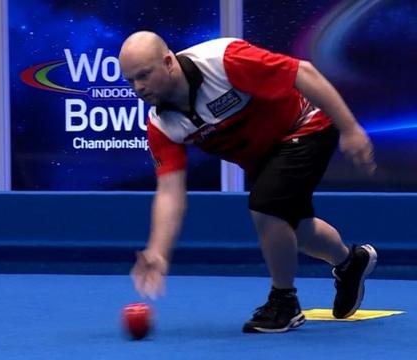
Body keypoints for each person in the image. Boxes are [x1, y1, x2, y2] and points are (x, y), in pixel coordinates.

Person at [118, 31, 378, 333]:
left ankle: (284, 302)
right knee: (295, 228)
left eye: (144, 75)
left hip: (307, 124)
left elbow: (302, 72)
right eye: (130, 81)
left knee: (266, 207)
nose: (138, 87)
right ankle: (350, 261)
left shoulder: (223, 61)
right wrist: (158, 252)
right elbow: (170, 192)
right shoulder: (162, 125)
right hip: (265, 156)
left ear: (168, 62)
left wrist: (350, 128)